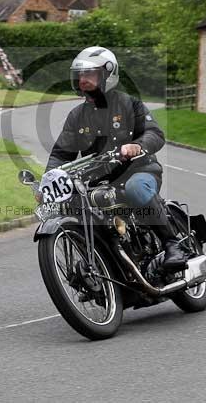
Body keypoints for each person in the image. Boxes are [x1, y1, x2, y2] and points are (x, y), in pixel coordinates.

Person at [46, 46, 188, 270]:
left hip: (139, 170)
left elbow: (154, 133)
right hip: (98, 181)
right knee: (76, 206)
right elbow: (61, 154)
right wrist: (49, 179)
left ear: (107, 74)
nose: (83, 79)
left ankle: (172, 244)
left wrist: (136, 146)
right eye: (80, 75)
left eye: (90, 74)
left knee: (135, 188)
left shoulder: (129, 104)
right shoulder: (76, 116)